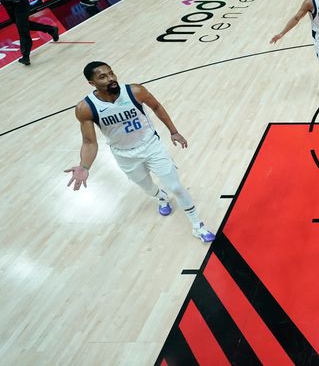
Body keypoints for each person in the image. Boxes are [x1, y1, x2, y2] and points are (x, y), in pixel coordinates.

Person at [64, 62, 216, 242]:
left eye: (111, 73)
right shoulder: (86, 108)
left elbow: (157, 106)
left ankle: (197, 225)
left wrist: (173, 131)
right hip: (124, 154)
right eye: (103, 77)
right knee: (147, 187)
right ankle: (160, 196)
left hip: (152, 146)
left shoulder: (135, 91)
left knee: (176, 186)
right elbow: (89, 142)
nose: (111, 78)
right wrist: (84, 166)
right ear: (92, 83)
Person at [0, 0, 58, 65]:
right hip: (7, 5)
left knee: (22, 30)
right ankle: (51, 29)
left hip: (20, 3)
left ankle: (25, 56)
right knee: (23, 24)